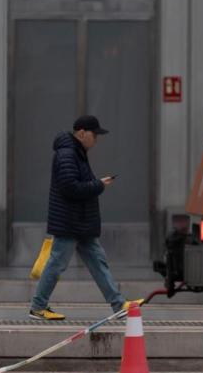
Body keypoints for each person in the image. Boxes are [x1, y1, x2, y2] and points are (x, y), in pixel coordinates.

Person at [29, 115, 130, 321]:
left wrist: (96, 184)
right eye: (95, 135)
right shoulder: (68, 153)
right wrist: (99, 185)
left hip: (80, 222)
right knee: (57, 263)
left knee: (98, 262)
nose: (96, 140)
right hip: (70, 222)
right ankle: (38, 307)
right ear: (82, 133)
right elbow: (70, 187)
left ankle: (118, 305)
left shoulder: (76, 153)